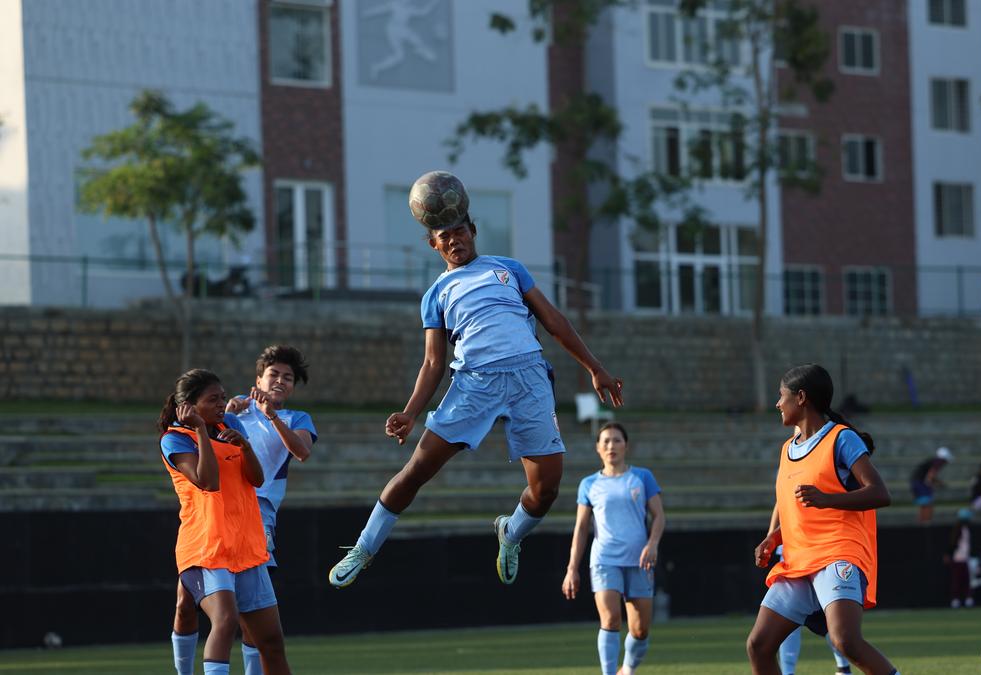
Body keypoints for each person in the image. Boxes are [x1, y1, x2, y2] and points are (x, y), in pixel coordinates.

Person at [329, 170, 623, 588]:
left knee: (547, 491)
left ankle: (511, 532)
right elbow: (433, 362)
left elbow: (554, 322)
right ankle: (364, 547)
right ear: (433, 244)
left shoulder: (509, 270)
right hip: (474, 384)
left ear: (473, 230)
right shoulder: (436, 294)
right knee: (417, 469)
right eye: (444, 236)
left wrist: (595, 367)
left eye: (459, 231)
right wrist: (411, 412)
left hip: (529, 379)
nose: (454, 240)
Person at [172, 346, 317, 675]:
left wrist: (271, 417)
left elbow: (302, 451)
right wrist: (233, 408)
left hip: (257, 512)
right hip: (212, 514)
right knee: (187, 604)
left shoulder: (296, 419)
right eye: (274, 374)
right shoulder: (232, 409)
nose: (280, 381)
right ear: (258, 379)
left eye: (288, 377)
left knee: (247, 617)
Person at [747, 364, 898, 675]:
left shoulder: (841, 439)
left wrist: (828, 499)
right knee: (759, 645)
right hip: (798, 560)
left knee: (846, 641)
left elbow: (880, 493)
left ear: (801, 398)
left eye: (781, 396)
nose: (778, 403)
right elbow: (793, 509)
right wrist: (773, 537)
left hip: (838, 553)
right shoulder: (788, 448)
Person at [562, 422, 665, 675]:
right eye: (605, 441)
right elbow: (581, 527)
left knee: (640, 630)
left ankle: (627, 669)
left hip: (640, 561)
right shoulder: (588, 484)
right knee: (610, 621)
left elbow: (659, 516)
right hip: (604, 560)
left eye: (616, 440)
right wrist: (572, 568)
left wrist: (652, 544)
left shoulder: (642, 477)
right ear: (598, 448)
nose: (611, 446)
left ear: (626, 446)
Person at [765, 506, 853, 675]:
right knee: (785, 617)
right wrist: (771, 536)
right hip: (793, 551)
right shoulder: (787, 479)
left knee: (832, 620)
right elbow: (781, 502)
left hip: (823, 550)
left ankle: (843, 668)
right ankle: (789, 672)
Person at [910, 447, 953, 523]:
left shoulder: (932, 461)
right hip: (920, 484)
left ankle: (921, 523)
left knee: (923, 505)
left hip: (915, 482)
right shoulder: (938, 462)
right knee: (928, 505)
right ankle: (926, 523)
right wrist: (939, 484)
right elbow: (930, 477)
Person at [946, 509, 973, 608]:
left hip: (965, 558)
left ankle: (968, 599)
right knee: (957, 580)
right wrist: (949, 554)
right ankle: (955, 600)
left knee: (966, 580)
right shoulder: (957, 530)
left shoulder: (967, 529)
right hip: (958, 559)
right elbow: (952, 543)